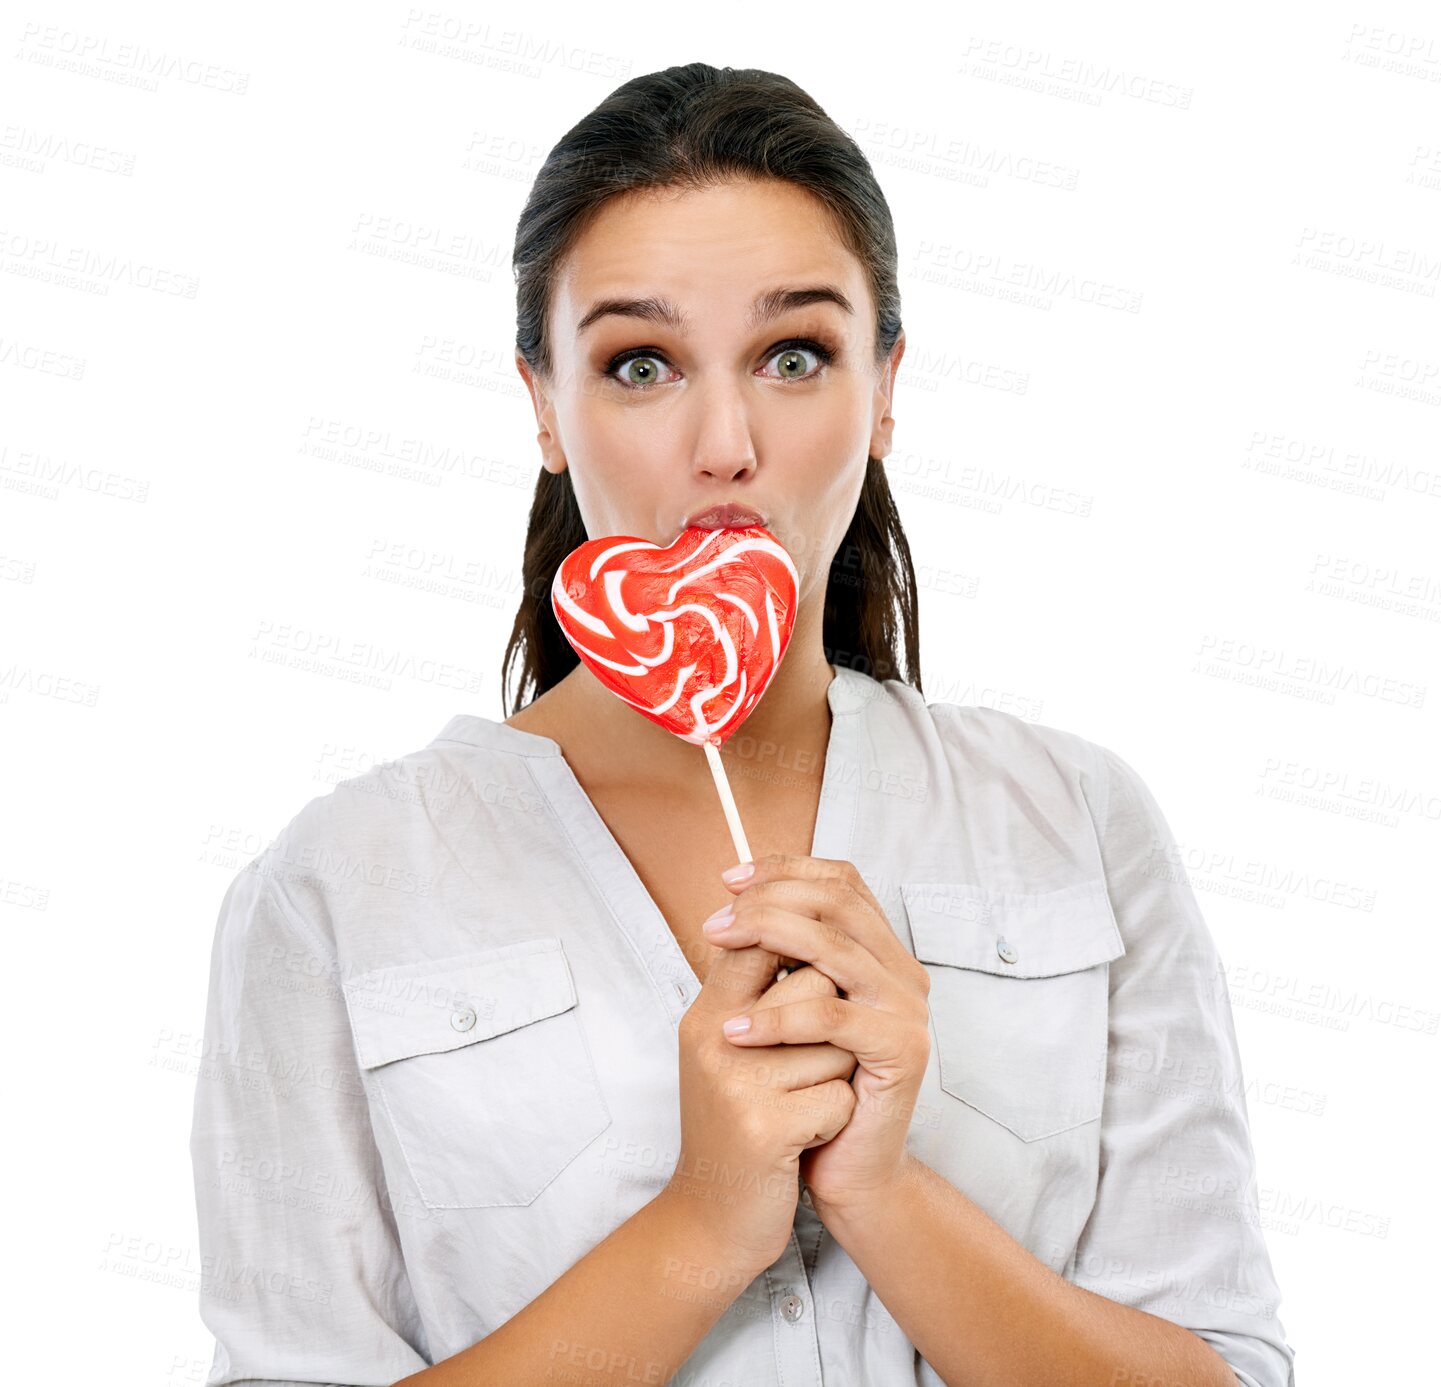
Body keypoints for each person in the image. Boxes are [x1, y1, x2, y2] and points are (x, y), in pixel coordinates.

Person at [189, 63, 1297, 1387]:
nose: (723, 444)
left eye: (793, 355)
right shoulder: (334, 888)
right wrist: (700, 1227)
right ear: (545, 404)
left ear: (882, 388)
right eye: (640, 363)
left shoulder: (1076, 826)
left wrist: (886, 1196)